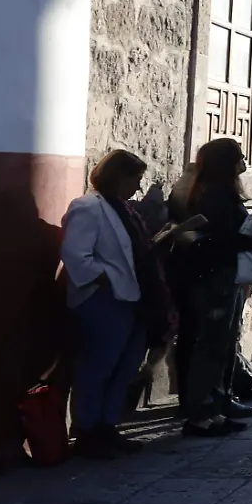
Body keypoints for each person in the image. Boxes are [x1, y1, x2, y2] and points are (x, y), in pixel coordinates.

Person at [61, 149, 169, 458]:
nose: (137, 186)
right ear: (117, 177)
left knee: (125, 365)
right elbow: (76, 254)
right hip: (104, 299)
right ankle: (86, 428)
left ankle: (108, 425)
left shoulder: (124, 209)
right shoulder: (88, 207)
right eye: (134, 178)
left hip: (133, 297)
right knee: (99, 365)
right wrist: (104, 277)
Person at [176, 137, 252, 437]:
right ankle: (200, 413)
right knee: (211, 345)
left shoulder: (217, 191)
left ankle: (214, 407)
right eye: (239, 156)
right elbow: (221, 237)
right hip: (213, 276)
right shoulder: (216, 194)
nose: (244, 160)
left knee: (221, 343)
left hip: (220, 274)